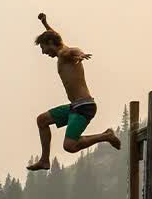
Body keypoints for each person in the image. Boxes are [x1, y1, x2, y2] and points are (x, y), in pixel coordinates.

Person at [28, 12, 120, 171]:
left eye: (43, 48)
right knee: (42, 120)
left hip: (84, 107)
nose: (43, 52)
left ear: (50, 43)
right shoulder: (60, 47)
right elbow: (56, 36)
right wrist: (45, 23)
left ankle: (106, 135)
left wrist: (80, 54)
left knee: (70, 146)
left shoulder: (64, 53)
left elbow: (73, 50)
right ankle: (44, 160)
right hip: (74, 107)